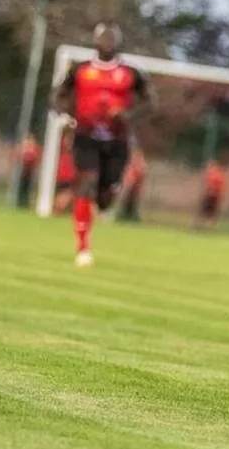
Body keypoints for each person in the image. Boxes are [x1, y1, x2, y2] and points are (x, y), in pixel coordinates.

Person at [51, 23, 153, 266]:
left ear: (118, 42)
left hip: (117, 141)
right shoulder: (81, 70)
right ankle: (83, 248)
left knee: (106, 196)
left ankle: (103, 199)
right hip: (86, 137)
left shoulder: (131, 73)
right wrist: (67, 113)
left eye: (111, 38)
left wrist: (127, 115)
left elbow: (151, 102)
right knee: (86, 184)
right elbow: (58, 94)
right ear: (95, 41)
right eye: (103, 38)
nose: (107, 42)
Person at [116, 148, 147, 223]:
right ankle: (123, 217)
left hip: (135, 190)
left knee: (132, 204)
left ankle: (132, 218)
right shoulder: (134, 166)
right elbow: (129, 178)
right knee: (127, 204)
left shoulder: (140, 166)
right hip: (131, 189)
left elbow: (138, 178)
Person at [194, 159, 226, 229]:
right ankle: (204, 224)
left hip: (213, 195)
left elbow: (219, 186)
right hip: (212, 194)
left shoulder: (217, 174)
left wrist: (213, 192)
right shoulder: (212, 174)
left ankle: (207, 225)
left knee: (208, 210)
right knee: (207, 210)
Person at [15, 134, 42, 209]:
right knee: (21, 187)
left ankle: (25, 203)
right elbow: (18, 157)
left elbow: (36, 158)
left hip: (30, 172)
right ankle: (19, 202)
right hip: (22, 171)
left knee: (28, 188)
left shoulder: (35, 149)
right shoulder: (24, 148)